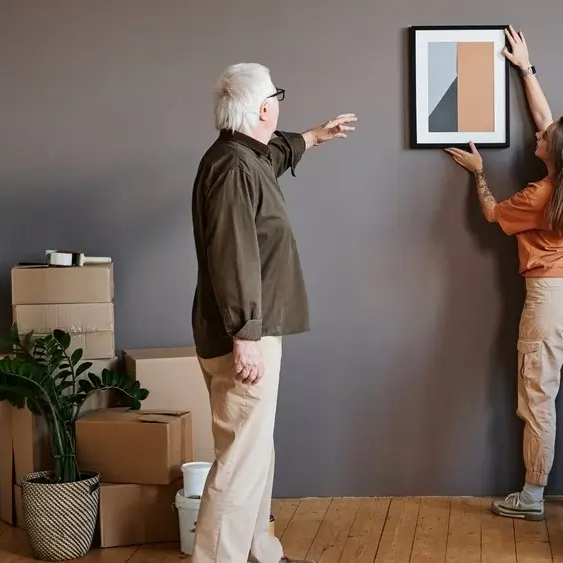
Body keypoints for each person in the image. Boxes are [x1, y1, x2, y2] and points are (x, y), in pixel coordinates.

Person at [445, 26, 563, 521]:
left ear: (555, 152)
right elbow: (549, 122)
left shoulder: (539, 196)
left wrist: (478, 173)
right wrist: (526, 68)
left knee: (537, 397)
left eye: (546, 138)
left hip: (548, 301)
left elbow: (495, 216)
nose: (539, 134)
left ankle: (533, 495)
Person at [190, 62, 356, 563]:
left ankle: (260, 550)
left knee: (256, 449)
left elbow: (275, 152)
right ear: (263, 108)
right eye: (276, 97)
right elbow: (233, 254)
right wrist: (246, 334)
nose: (279, 105)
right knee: (241, 457)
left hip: (256, 328)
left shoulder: (243, 156)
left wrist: (314, 137)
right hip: (245, 333)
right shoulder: (234, 168)